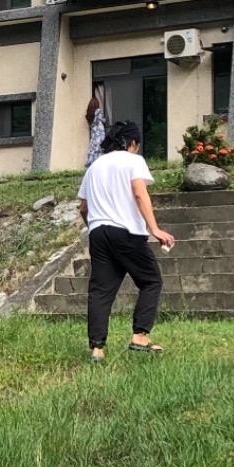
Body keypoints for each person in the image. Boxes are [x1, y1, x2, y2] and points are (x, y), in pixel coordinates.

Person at [76, 119, 175, 360]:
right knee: (151, 281)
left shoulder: (94, 167)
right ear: (132, 143)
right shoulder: (133, 161)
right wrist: (155, 229)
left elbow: (83, 209)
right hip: (126, 232)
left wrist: (97, 228)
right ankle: (140, 336)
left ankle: (97, 349)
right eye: (137, 145)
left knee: (100, 291)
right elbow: (140, 194)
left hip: (98, 232)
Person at [84, 85, 109, 166]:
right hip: (100, 133)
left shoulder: (89, 115)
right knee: (101, 149)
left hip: (94, 135)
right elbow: (104, 120)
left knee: (94, 149)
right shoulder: (98, 111)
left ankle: (92, 163)